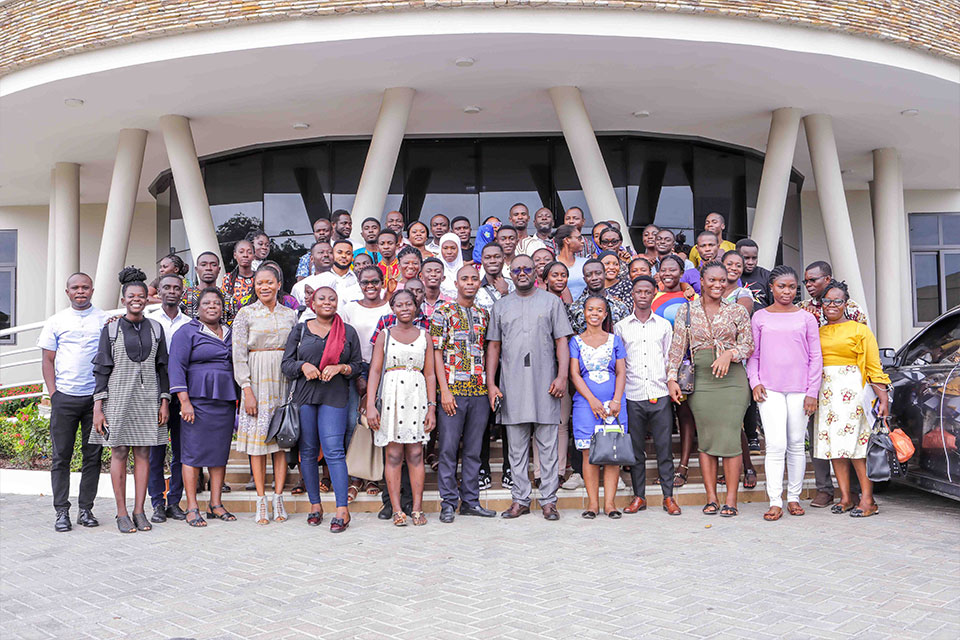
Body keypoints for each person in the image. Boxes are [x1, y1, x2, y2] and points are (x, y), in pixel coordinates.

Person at [487, 254, 574, 521]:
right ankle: (520, 499)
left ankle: (549, 500)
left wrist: (561, 377)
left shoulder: (551, 302)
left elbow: (562, 341)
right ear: (509, 273)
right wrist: (491, 384)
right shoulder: (501, 306)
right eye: (516, 269)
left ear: (535, 272)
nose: (522, 273)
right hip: (511, 384)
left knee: (547, 444)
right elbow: (493, 346)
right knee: (516, 447)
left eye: (527, 268)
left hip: (546, 383)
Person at [668, 261, 754, 517]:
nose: (718, 285)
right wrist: (672, 379)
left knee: (730, 435)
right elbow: (676, 348)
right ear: (702, 282)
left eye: (722, 281)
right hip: (702, 379)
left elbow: (748, 345)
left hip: (732, 381)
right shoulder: (685, 311)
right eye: (712, 280)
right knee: (705, 438)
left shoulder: (737, 311)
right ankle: (711, 498)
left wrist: (730, 354)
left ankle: (731, 499)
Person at [91, 268, 171, 533]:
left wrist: (164, 401)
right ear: (123, 299)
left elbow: (162, 368)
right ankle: (121, 512)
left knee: (144, 452)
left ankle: (140, 510)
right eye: (131, 296)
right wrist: (98, 408)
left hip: (148, 399)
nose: (136, 299)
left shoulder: (156, 328)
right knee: (119, 451)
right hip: (118, 398)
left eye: (141, 295)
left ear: (147, 299)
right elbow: (101, 369)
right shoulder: (111, 329)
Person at [283, 286, 363, 532]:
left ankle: (342, 510)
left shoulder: (347, 331)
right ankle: (315, 505)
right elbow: (286, 364)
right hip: (306, 395)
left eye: (332, 299)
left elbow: (357, 365)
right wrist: (303, 366)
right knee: (307, 452)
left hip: (335, 396)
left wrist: (341, 368)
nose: (327, 302)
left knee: (333, 451)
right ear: (312, 303)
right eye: (322, 299)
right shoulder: (300, 330)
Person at [746, 266, 822, 521]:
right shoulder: (760, 317)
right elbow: (753, 354)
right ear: (771, 287)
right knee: (776, 446)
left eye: (791, 286)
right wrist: (755, 382)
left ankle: (794, 498)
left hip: (801, 390)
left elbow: (815, 357)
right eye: (782, 286)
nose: (787, 291)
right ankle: (775, 500)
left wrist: (813, 391)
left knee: (797, 445)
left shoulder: (806, 318)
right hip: (770, 390)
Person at [38, 273, 108, 532]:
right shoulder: (56, 321)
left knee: (93, 457)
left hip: (95, 400)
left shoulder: (103, 320)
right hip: (65, 398)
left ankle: (86, 509)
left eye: (85, 287)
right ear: (67, 292)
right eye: (75, 287)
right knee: (61, 457)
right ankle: (61, 512)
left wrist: (102, 396)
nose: (81, 291)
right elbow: (48, 359)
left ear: (92, 290)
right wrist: (54, 394)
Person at [814, 279, 890, 518]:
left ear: (846, 303)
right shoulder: (817, 331)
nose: (832, 305)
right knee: (835, 448)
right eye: (828, 300)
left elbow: (872, 366)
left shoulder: (860, 330)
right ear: (821, 303)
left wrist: (883, 397)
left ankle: (868, 500)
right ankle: (846, 497)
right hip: (826, 394)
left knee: (857, 448)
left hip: (853, 393)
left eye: (838, 301)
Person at [232, 264, 298, 525]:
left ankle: (278, 497)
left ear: (278, 284)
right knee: (258, 446)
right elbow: (238, 355)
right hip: (257, 382)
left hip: (283, 381)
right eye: (259, 283)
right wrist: (246, 389)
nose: (264, 287)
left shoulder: (291, 315)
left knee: (280, 443)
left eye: (269, 282)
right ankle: (261, 501)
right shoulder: (245, 314)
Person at [800, 260, 868, 508]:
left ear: (827, 279)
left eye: (813, 280)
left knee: (851, 438)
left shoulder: (852, 310)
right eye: (806, 281)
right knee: (818, 436)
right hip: (816, 383)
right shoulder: (802, 309)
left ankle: (853, 493)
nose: (808, 285)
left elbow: (864, 348)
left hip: (848, 384)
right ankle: (824, 489)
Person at [168, 288, 238, 527]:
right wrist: (184, 402)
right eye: (206, 303)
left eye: (217, 303)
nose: (212, 306)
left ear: (222, 307)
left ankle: (215, 504)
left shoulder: (230, 332)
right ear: (197, 308)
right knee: (193, 453)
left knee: (219, 454)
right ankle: (192, 507)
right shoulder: (186, 332)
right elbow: (176, 367)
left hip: (224, 401)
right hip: (196, 400)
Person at [431, 266, 496, 523]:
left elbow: (489, 349)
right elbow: (436, 351)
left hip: (479, 390)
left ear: (479, 283)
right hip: (452, 391)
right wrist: (444, 390)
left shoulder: (483, 314)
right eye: (464, 279)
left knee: (473, 450)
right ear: (455, 283)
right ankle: (448, 502)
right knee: (447, 449)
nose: (470, 283)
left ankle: (470, 501)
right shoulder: (442, 312)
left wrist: (490, 387)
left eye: (473, 279)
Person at [367, 289, 437, 527]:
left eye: (409, 304)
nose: (405, 308)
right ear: (393, 308)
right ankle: (397, 509)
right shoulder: (384, 335)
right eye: (400, 305)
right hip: (391, 396)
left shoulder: (425, 336)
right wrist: (370, 405)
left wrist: (432, 407)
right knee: (394, 454)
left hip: (416, 394)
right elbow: (375, 371)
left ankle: (417, 508)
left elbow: (430, 373)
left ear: (416, 307)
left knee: (416, 453)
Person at [614, 276, 681, 516]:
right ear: (632, 294)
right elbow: (619, 363)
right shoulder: (621, 327)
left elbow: (670, 358)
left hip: (660, 393)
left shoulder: (663, 325)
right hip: (632, 395)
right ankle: (639, 496)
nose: (642, 295)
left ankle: (669, 497)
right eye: (638, 291)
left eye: (647, 291)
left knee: (664, 448)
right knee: (635, 451)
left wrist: (671, 381)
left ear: (654, 294)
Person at [569, 295, 627, 519]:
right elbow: (574, 373)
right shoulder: (576, 341)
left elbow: (621, 372)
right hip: (586, 405)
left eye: (599, 310)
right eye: (590, 309)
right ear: (584, 313)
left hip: (614, 405)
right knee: (588, 453)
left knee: (612, 453)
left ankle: (610, 504)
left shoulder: (615, 340)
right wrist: (592, 400)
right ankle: (593, 504)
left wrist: (616, 400)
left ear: (605, 314)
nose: (594, 313)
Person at [145, 274, 191, 523]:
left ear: (182, 292)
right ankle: (157, 503)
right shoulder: (149, 321)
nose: (172, 291)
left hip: (183, 395)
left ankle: (174, 501)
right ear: (159, 291)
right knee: (156, 452)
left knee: (181, 452)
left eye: (176, 288)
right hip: (155, 395)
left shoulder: (190, 323)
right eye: (167, 287)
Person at [651, 254, 697, 486]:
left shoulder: (691, 297)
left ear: (682, 273)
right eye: (664, 270)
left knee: (685, 415)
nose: (668, 274)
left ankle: (684, 466)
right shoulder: (652, 296)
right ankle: (665, 466)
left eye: (673, 270)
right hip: (657, 364)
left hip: (685, 364)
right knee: (664, 420)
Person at [568, 259, 631, 335]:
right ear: (584, 279)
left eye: (598, 273)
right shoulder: (575, 307)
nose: (594, 278)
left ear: (605, 274)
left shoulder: (620, 307)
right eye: (589, 275)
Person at [181, 251, 237, 325]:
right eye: (203, 265)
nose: (208, 268)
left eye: (213, 265)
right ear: (196, 269)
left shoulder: (229, 299)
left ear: (219, 270)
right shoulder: (184, 297)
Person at [475, 242, 515, 313]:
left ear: (504, 259)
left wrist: (505, 293)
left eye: (497, 257)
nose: (492, 261)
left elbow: (517, 314)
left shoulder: (514, 286)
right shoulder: (475, 289)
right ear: (482, 260)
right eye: (487, 257)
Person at [554, 224, 590, 298]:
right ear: (567, 240)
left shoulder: (586, 263)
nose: (583, 241)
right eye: (579, 238)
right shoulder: (553, 264)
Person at [736, 238, 770, 308]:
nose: (751, 262)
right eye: (746, 258)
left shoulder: (767, 276)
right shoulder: (730, 276)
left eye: (754, 258)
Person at [222, 240, 256, 309]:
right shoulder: (228, 279)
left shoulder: (259, 278)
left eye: (249, 252)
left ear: (253, 256)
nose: (245, 255)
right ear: (235, 255)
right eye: (241, 252)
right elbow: (224, 305)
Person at [720, 250, 754, 315]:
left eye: (738, 266)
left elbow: (738, 319)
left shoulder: (743, 294)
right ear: (721, 265)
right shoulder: (712, 290)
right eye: (729, 264)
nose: (734, 268)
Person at [437, 232, 464, 299]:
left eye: (453, 248)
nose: (449, 252)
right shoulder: (434, 271)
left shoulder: (466, 270)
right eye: (445, 248)